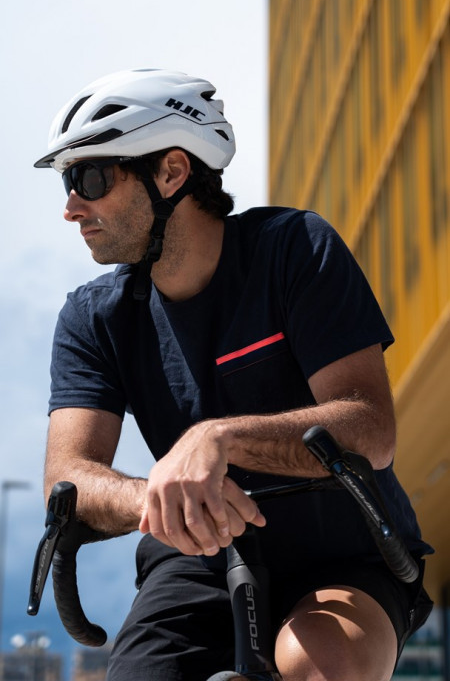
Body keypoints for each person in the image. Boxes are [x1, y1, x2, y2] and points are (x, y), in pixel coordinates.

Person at [35, 69, 432, 681]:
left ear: (171, 171)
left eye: (90, 179)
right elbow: (69, 479)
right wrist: (160, 496)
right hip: (197, 562)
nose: (71, 208)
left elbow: (371, 429)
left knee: (320, 665)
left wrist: (218, 439)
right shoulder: (93, 318)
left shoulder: (295, 248)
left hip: (346, 548)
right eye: (68, 183)